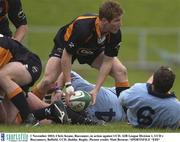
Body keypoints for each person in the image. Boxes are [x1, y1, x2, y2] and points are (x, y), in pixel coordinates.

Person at [32, 0, 129, 105]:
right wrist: (68, 85)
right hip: (65, 47)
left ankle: (127, 112)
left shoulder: (115, 33)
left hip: (92, 49)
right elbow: (67, 55)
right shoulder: (83, 26)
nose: (121, 24)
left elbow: (107, 62)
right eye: (117, 21)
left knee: (120, 71)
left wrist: (96, 89)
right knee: (48, 80)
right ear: (105, 20)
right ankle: (28, 107)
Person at [0, 34, 44, 124]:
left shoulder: (2, 45)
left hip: (30, 64)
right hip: (12, 76)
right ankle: (52, 111)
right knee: (8, 122)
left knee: (2, 75)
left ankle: (29, 118)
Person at [51, 71, 127, 122]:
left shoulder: (81, 87)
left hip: (121, 97)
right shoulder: (77, 118)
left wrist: (58, 90)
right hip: (125, 113)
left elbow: (67, 73)